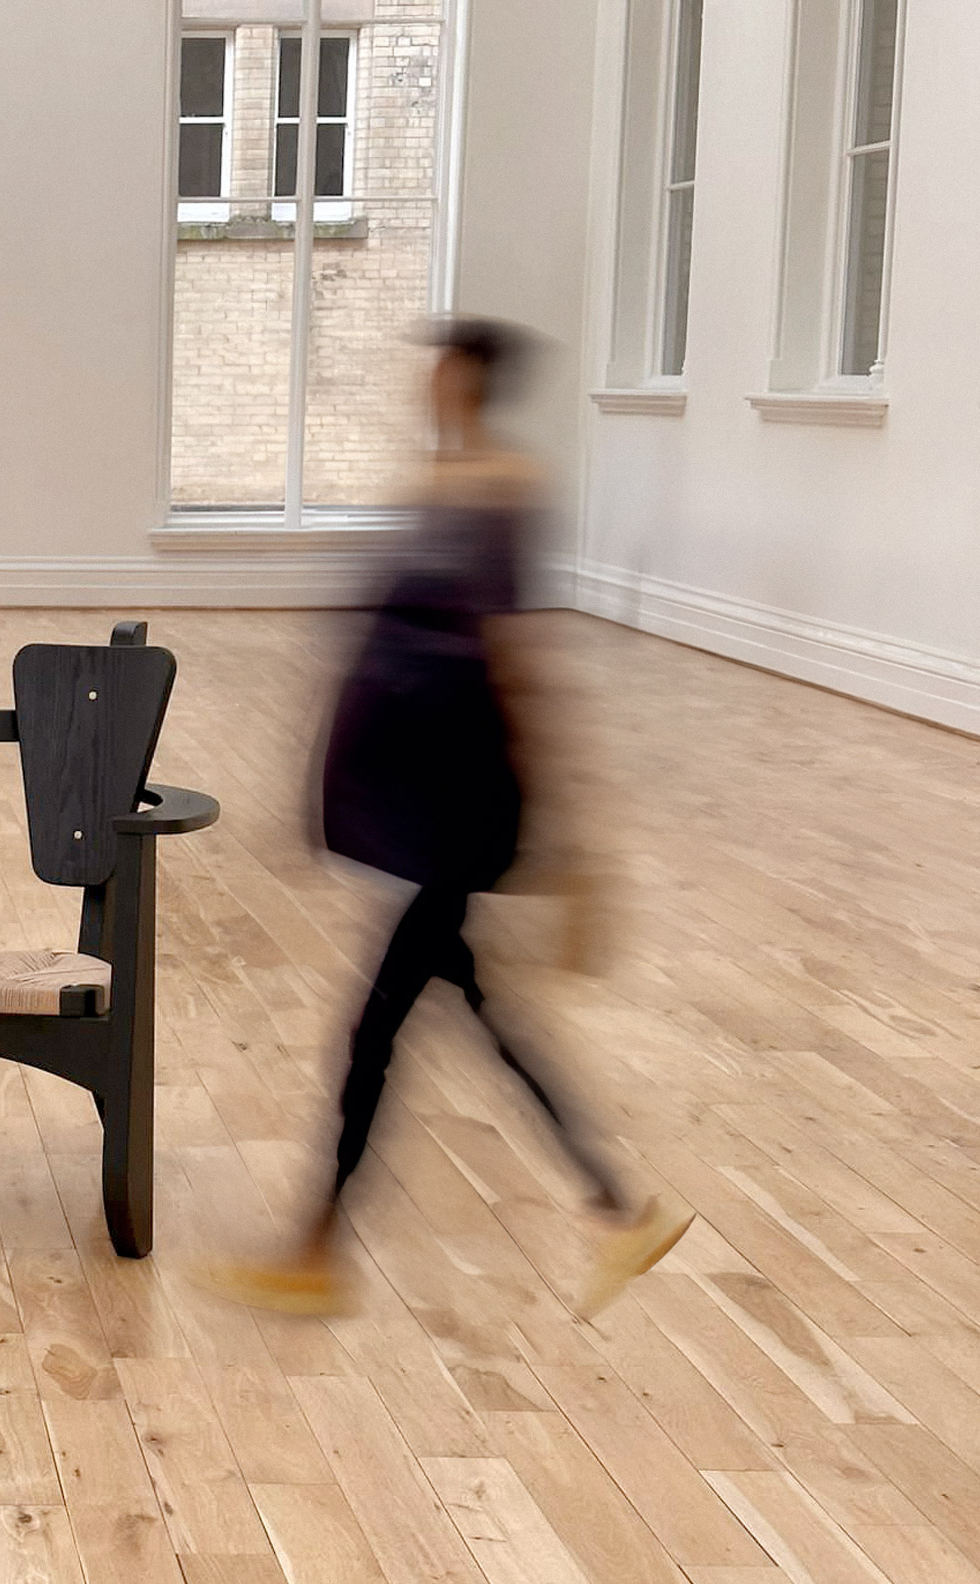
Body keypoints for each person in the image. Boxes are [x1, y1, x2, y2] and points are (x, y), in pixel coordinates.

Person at [209, 318, 691, 1320]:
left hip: (468, 798)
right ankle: (618, 1206)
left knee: (375, 1027)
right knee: (478, 1007)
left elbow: (514, 653)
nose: (424, 383)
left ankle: (316, 1249)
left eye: (440, 368)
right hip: (420, 795)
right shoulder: (439, 485)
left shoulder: (503, 490)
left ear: (470, 377)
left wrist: (571, 837)